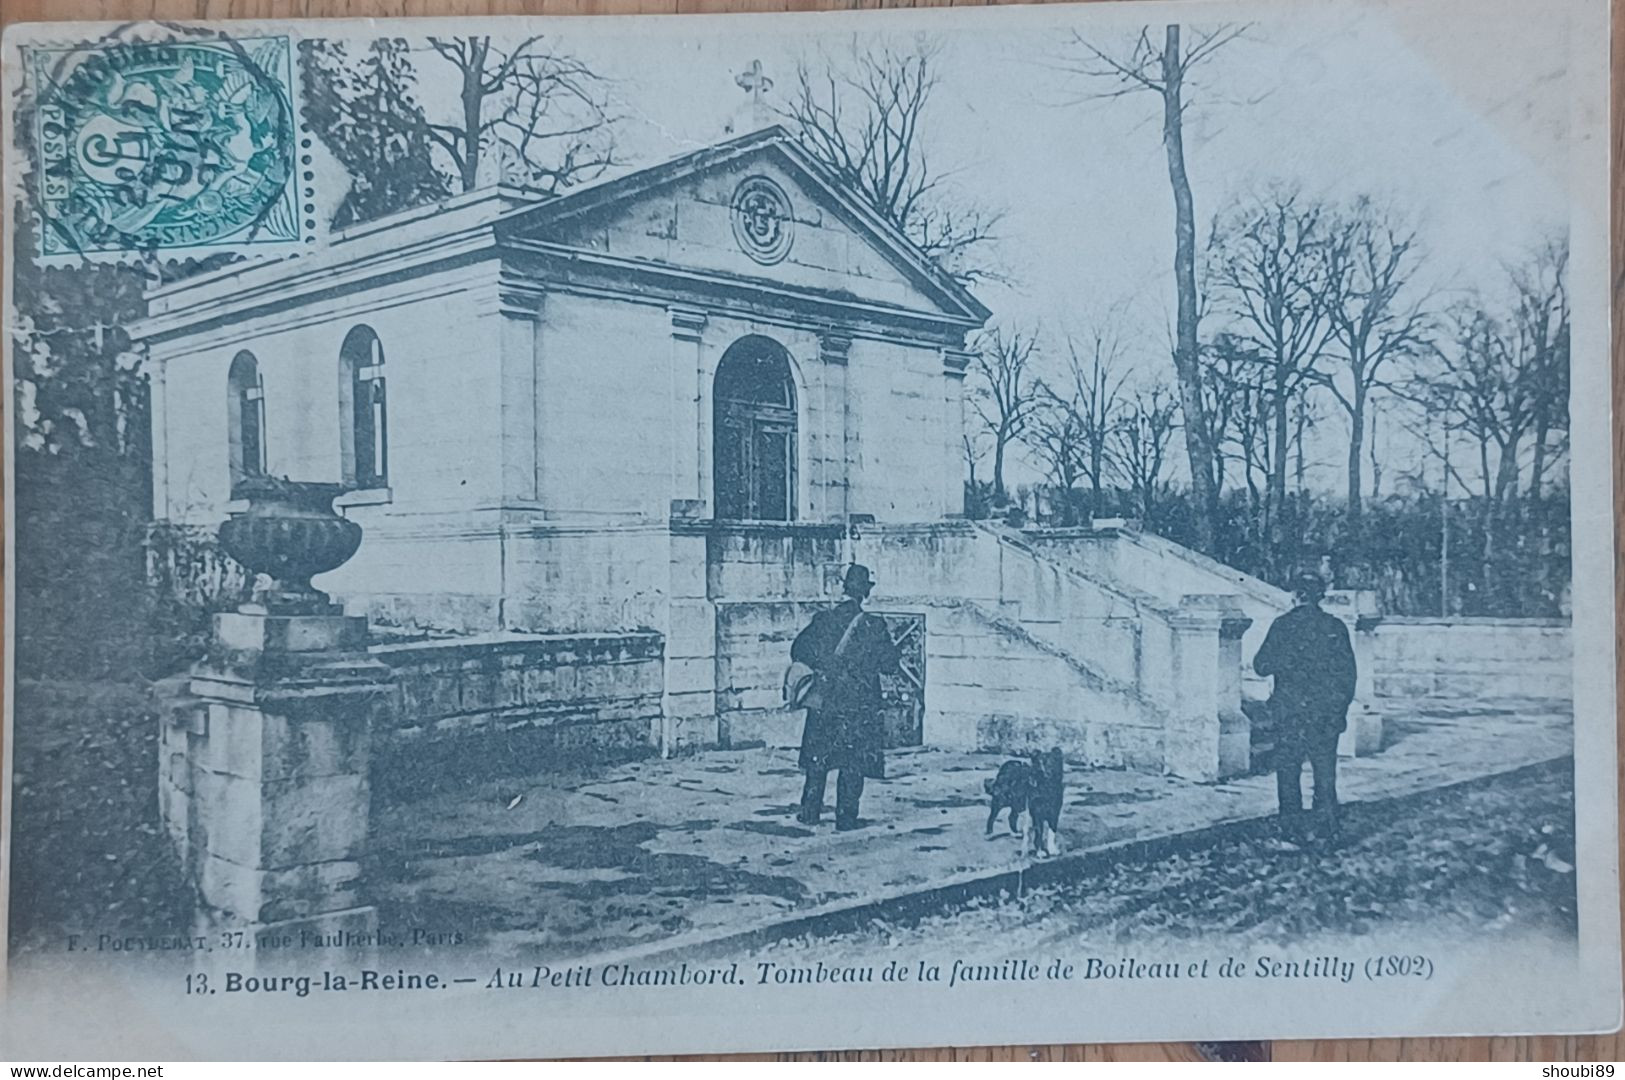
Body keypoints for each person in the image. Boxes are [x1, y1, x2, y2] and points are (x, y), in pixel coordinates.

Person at [790, 563, 900, 830]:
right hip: (858, 705)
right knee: (852, 763)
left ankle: (809, 812)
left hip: (825, 700)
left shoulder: (823, 619)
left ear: (844, 588)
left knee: (818, 760)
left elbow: (798, 650)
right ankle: (846, 818)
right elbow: (890, 664)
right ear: (864, 593)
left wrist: (822, 665)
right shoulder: (874, 626)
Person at [1253, 573, 1357, 849]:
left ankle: (1291, 834)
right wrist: (1338, 711)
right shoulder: (1335, 626)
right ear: (1320, 596)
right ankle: (1327, 833)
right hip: (1325, 715)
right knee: (1325, 773)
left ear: (1295, 595)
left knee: (1288, 773)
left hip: (1290, 713)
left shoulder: (1282, 625)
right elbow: (1348, 676)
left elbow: (1261, 665)